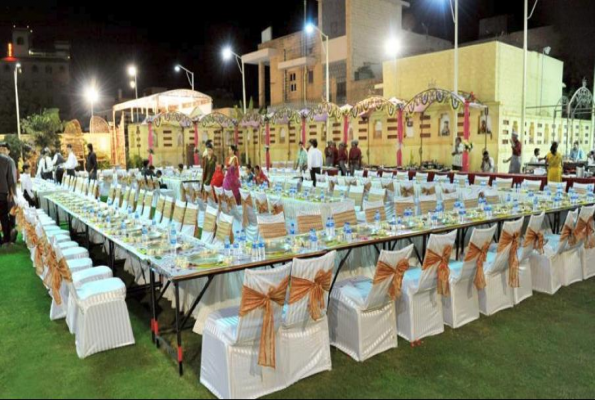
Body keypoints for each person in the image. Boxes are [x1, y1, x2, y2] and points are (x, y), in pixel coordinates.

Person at [0, 143, 16, 246]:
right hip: (3, 192)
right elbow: (11, 179)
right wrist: (11, 194)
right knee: (4, 217)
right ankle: (6, 239)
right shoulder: (7, 160)